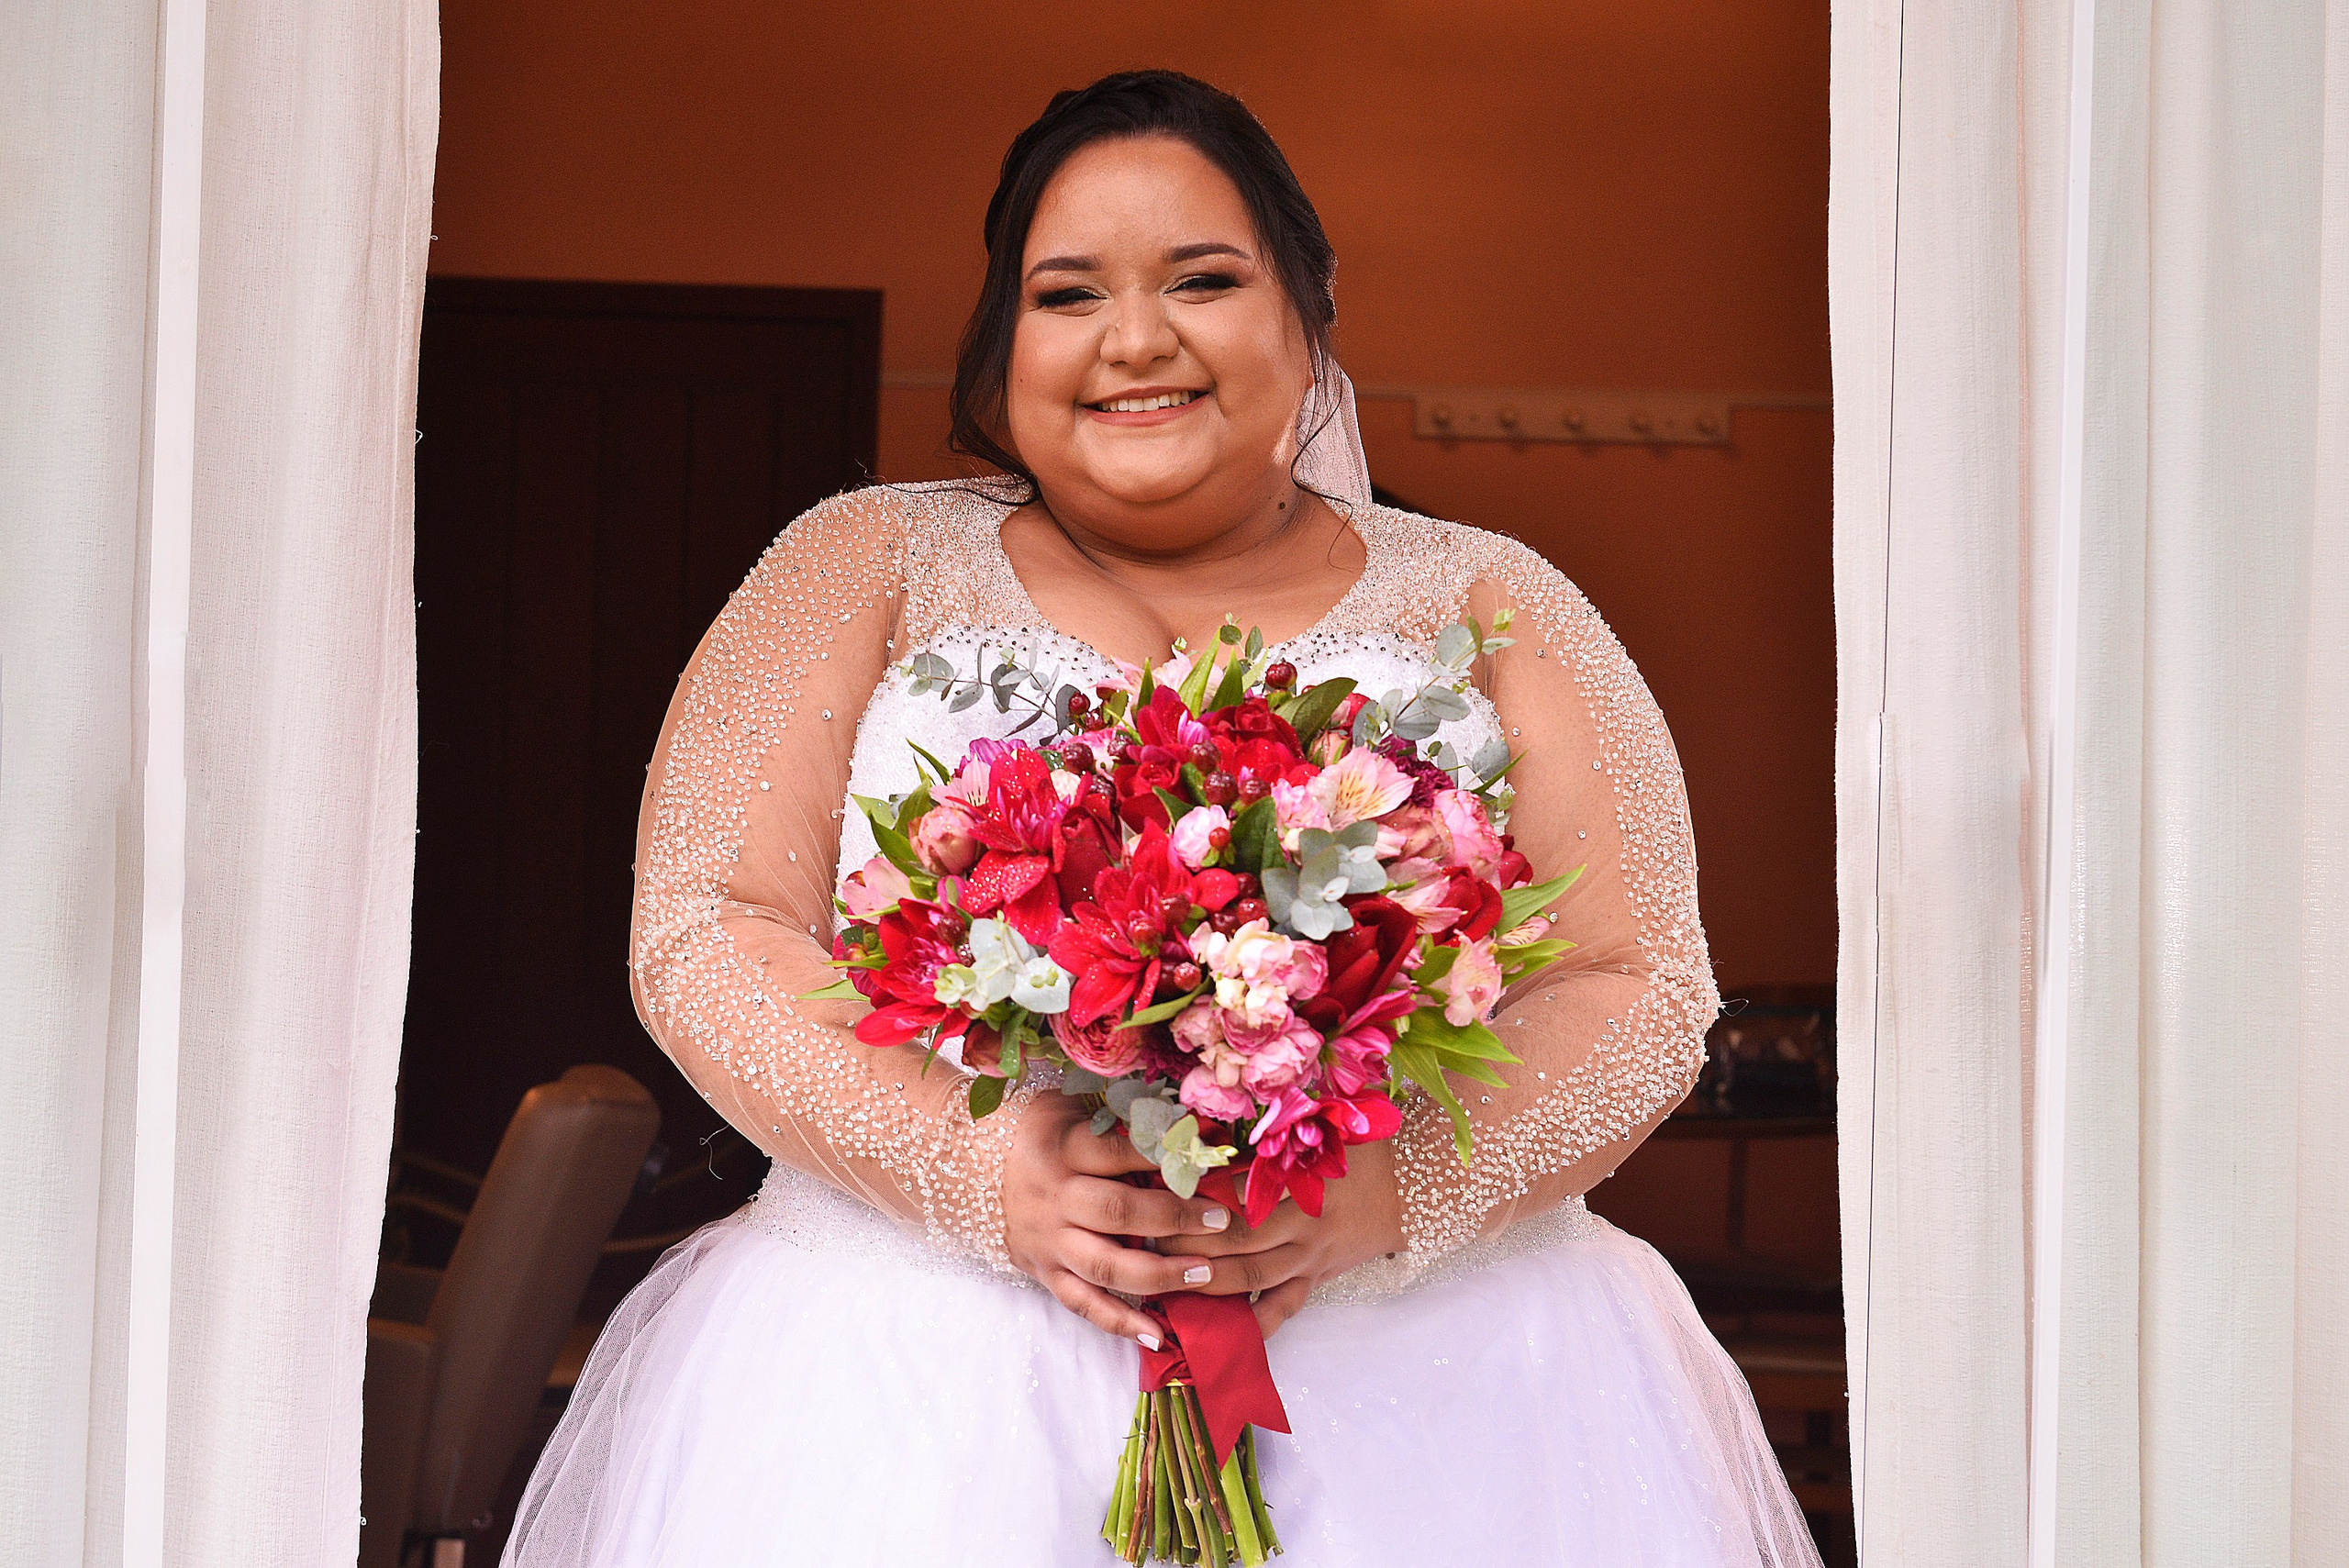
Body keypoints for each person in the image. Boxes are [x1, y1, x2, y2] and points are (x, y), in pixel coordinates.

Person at [504, 69, 1820, 1568]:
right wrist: (983, 1169)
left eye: (1204, 278)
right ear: (1003, 348)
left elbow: (1641, 982)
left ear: (1308, 321)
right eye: (1069, 294)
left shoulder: (1492, 596)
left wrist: (1388, 1185)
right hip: (906, 1374)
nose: (1137, 338)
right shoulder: (859, 558)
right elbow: (703, 924)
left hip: (1450, 1385)